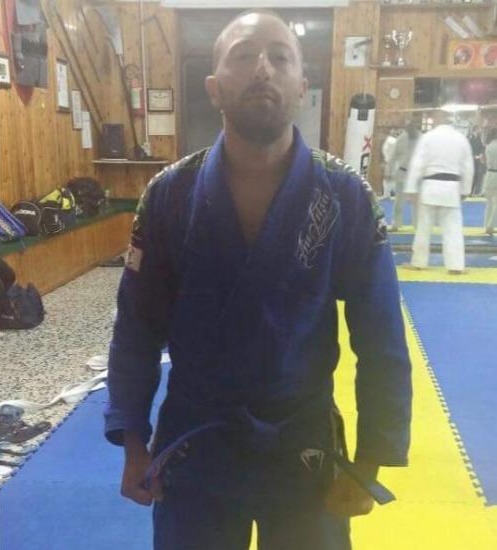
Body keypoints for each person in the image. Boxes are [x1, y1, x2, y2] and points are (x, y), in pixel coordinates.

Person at [104, 10, 412, 550]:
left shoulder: (344, 195)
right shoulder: (169, 194)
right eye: (244, 56)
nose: (263, 69)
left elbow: (381, 334)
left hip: (304, 445)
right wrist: (133, 440)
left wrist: (369, 461)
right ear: (214, 86)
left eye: (280, 57)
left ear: (302, 84)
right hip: (197, 444)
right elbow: (136, 328)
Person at [404, 111, 473, 274]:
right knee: (453, 229)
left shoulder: (428, 137)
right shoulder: (461, 139)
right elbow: (468, 167)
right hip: (452, 189)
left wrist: (411, 188)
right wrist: (466, 190)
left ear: (436, 120)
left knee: (423, 228)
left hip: (430, 187)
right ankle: (456, 266)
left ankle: (418, 262)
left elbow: (417, 164)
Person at [386, 119, 421, 231]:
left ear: (415, 127)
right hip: (402, 172)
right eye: (407, 128)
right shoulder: (401, 138)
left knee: (417, 203)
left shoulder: (423, 139)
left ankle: (418, 226)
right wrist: (389, 171)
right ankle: (396, 224)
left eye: (411, 127)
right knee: (399, 202)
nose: (409, 130)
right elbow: (393, 157)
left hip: (417, 176)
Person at [483, 127, 497, 235]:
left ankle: (486, 225)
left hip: (489, 174)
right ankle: (490, 226)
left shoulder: (488, 146)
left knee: (489, 202)